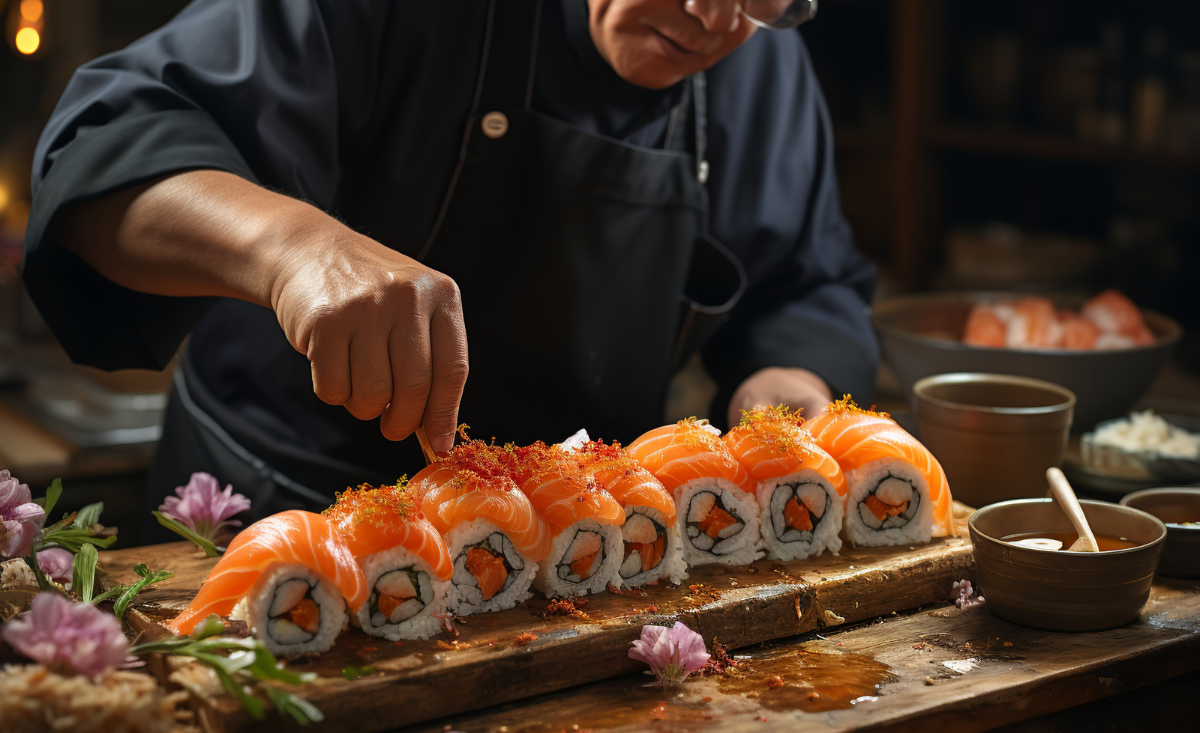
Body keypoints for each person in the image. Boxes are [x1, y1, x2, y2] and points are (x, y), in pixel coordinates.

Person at [22, 0, 877, 539]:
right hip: (285, 511)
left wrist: (785, 374)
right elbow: (100, 151)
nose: (713, 16)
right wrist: (293, 248)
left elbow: (809, 280)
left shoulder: (763, 66)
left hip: (571, 546)